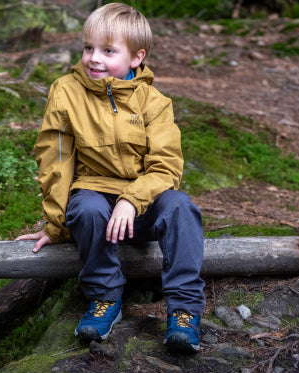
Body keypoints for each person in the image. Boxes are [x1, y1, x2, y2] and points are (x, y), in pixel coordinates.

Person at [16, 2, 205, 352]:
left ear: (136, 57)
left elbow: (166, 167)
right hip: (97, 198)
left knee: (181, 207)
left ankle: (183, 311)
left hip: (144, 203)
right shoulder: (66, 91)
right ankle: (104, 297)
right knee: (86, 207)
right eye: (88, 48)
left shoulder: (155, 102)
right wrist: (56, 227)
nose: (94, 59)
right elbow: (56, 162)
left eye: (108, 50)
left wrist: (132, 202)